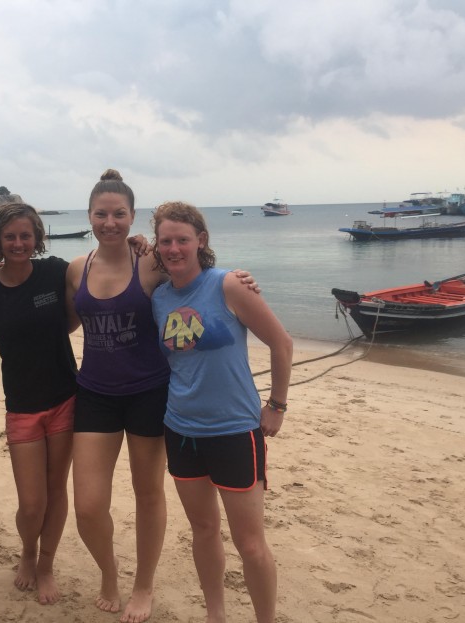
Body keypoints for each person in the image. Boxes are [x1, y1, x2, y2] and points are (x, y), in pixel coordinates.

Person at [66, 170, 259, 623]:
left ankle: (143, 585)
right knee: (89, 505)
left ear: (132, 217)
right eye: (101, 214)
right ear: (89, 217)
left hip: (150, 392)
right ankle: (109, 573)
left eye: (119, 214)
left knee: (147, 492)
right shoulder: (76, 268)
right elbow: (62, 324)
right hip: (94, 392)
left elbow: (194, 270)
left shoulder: (150, 262)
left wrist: (242, 280)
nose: (109, 221)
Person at [149, 201, 293, 623]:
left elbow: (282, 344)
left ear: (201, 242)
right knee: (204, 531)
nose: (174, 248)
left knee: (250, 544)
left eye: (183, 240)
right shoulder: (159, 297)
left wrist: (277, 406)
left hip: (234, 430)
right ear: (158, 247)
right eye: (166, 241)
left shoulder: (227, 284)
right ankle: (216, 614)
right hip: (181, 429)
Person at [0, 203, 77, 605]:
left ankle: (45, 563)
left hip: (66, 397)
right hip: (23, 406)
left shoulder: (55, 271)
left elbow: (96, 279)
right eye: (10, 236)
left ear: (37, 237)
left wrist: (138, 244)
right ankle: (27, 551)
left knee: (56, 489)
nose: (18, 243)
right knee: (32, 502)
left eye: (25, 236)